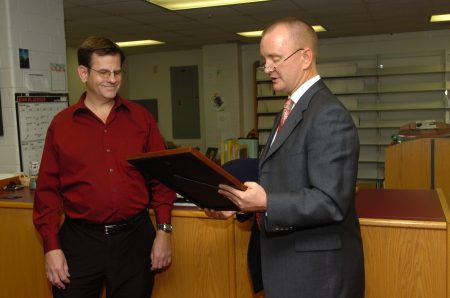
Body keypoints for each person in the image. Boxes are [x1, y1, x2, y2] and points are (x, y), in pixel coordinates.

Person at [204, 17, 364, 298]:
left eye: (274, 59)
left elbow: (331, 201)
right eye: (265, 59)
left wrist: (265, 202)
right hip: (289, 267)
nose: (267, 68)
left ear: (305, 57)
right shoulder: (290, 108)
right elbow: (283, 181)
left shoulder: (327, 114)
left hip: (317, 276)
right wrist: (242, 206)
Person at [33, 36, 177, 298]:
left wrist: (163, 232)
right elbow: (47, 191)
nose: (112, 79)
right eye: (103, 72)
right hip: (80, 242)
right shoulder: (62, 125)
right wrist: (51, 248)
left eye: (117, 71)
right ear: (83, 73)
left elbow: (162, 179)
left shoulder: (141, 118)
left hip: (135, 239)